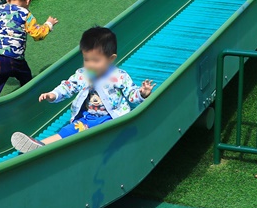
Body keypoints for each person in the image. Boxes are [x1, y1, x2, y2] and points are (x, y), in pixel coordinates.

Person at [11, 26, 154, 153]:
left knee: (101, 132)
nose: (90, 64)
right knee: (69, 130)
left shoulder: (118, 76)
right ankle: (41, 145)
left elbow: (131, 93)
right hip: (87, 117)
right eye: (86, 59)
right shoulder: (84, 74)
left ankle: (89, 149)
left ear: (111, 59)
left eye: (96, 60)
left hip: (110, 118)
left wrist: (142, 93)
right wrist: (53, 95)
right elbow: (68, 86)